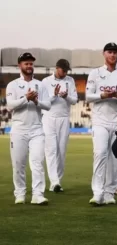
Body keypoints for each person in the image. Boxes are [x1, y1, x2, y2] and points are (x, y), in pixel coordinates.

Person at [86, 42, 117, 206]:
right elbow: (88, 96)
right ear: (103, 54)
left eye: (114, 52)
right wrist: (103, 95)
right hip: (100, 120)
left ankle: (109, 192)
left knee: (114, 158)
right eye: (109, 52)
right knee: (99, 153)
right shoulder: (95, 73)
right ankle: (97, 192)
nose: (112, 55)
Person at [6, 52, 51, 205]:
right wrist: (26, 98)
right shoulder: (13, 85)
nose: (29, 66)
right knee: (18, 164)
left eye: (31, 63)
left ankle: (38, 194)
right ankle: (20, 193)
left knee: (37, 162)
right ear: (20, 65)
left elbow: (48, 105)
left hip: (37, 129)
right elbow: (10, 105)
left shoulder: (41, 85)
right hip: (19, 130)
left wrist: (36, 101)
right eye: (26, 63)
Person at [42, 59, 77, 193]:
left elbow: (74, 100)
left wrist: (66, 96)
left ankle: (58, 182)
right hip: (49, 117)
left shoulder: (70, 80)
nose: (65, 73)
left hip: (64, 118)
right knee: (51, 150)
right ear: (57, 68)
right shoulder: (45, 82)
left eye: (67, 70)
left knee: (61, 151)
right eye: (63, 70)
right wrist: (54, 95)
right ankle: (54, 182)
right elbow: (43, 101)